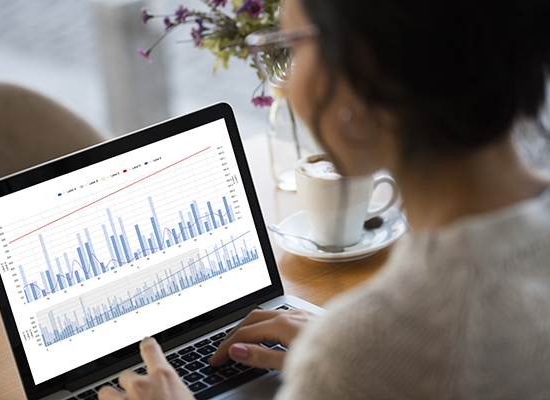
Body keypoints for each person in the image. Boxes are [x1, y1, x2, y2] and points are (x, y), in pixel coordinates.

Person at [99, 0, 550, 398]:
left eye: (292, 48)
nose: (283, 85)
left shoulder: (363, 356)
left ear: (363, 75)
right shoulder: (366, 349)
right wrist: (352, 343)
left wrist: (354, 352)